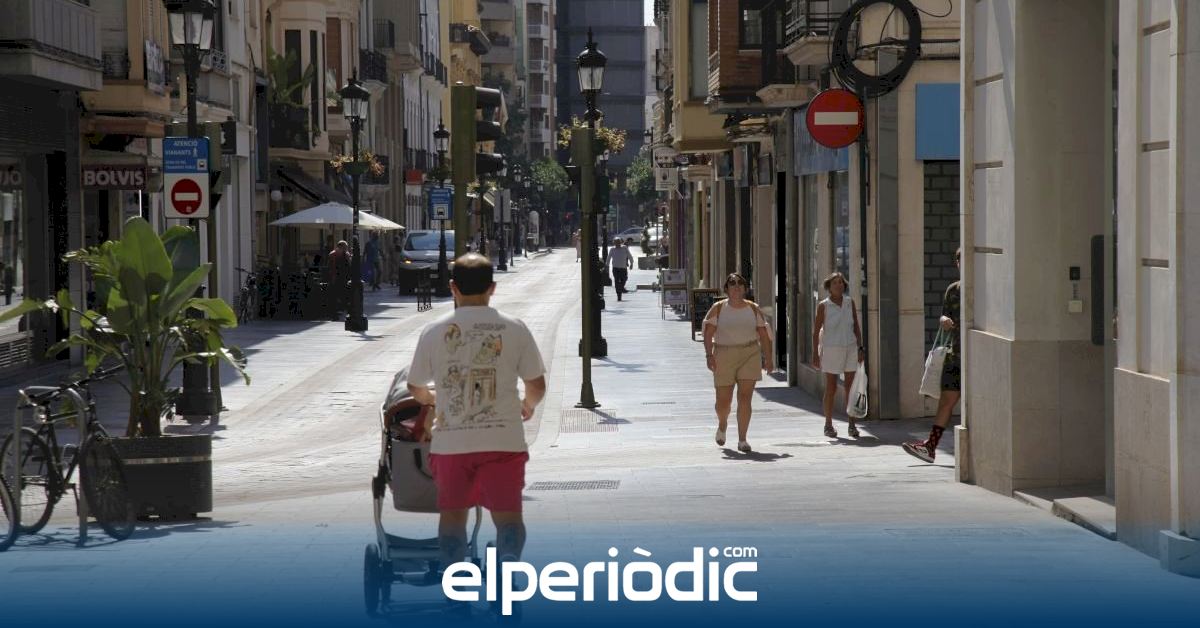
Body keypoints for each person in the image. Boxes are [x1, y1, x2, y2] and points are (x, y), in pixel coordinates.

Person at [407, 253, 547, 581]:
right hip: (503, 440)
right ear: (492, 288)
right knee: (509, 518)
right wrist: (527, 405)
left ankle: (457, 580)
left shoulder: (433, 331)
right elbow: (537, 385)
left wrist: (433, 399)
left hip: (452, 443)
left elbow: (415, 387)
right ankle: (508, 562)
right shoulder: (514, 328)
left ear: (452, 287)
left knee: (453, 518)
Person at [703, 273, 774, 453]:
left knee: (745, 397)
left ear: (745, 289)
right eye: (732, 283)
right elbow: (708, 333)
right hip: (724, 354)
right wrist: (709, 355)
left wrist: (769, 358)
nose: (736, 286)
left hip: (749, 353)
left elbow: (763, 335)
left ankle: (743, 439)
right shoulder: (718, 308)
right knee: (723, 402)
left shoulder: (753, 308)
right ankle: (722, 423)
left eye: (740, 284)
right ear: (726, 289)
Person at [903, 248, 962, 462]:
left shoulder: (982, 289)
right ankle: (930, 447)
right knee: (946, 400)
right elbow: (944, 315)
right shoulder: (953, 290)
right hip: (954, 355)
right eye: (959, 261)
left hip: (977, 356)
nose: (962, 264)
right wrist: (944, 320)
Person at [811, 272, 865, 439]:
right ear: (829, 286)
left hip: (850, 347)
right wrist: (815, 354)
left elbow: (856, 326)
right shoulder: (824, 306)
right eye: (835, 283)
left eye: (841, 282)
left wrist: (860, 347)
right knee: (831, 387)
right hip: (831, 349)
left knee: (850, 386)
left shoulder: (849, 302)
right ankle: (828, 424)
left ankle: (852, 424)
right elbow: (816, 331)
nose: (838, 285)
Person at [327, 240, 351, 319]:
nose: (346, 248)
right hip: (341, 278)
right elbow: (349, 266)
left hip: (337, 278)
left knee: (335, 296)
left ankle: (335, 313)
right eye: (346, 247)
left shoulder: (332, 254)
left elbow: (329, 267)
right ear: (342, 246)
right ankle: (341, 311)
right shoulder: (344, 254)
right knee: (342, 295)